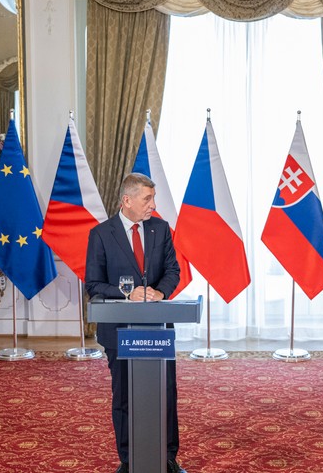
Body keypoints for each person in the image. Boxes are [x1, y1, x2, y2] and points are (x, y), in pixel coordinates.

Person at [85, 173, 186, 473]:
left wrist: (160, 291)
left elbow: (173, 271)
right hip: (118, 331)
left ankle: (168, 457)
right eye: (147, 199)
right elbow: (94, 284)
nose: (153, 205)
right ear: (127, 200)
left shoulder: (161, 229)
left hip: (158, 329)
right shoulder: (101, 234)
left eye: (153, 198)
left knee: (165, 393)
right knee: (124, 395)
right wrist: (126, 294)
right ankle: (128, 459)